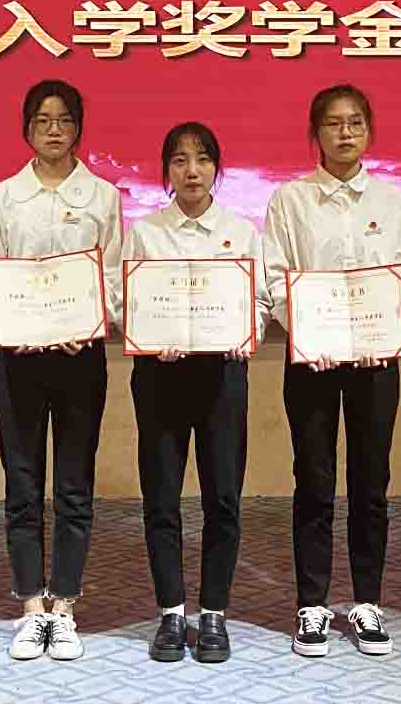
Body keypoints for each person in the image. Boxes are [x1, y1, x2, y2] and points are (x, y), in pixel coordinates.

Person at [263, 84, 401, 658]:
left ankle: (368, 601)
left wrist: (389, 328)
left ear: (369, 130)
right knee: (314, 480)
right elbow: (275, 276)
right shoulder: (290, 201)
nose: (345, 133)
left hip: (377, 361)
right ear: (316, 133)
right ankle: (312, 604)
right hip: (313, 361)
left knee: (371, 483)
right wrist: (309, 332)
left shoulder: (393, 203)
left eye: (355, 122)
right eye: (333, 123)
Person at [0, 79, 124, 663]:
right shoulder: (3, 198)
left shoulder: (103, 197)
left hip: (79, 358)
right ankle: (29, 607)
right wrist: (10, 322)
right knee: (22, 485)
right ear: (26, 129)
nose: (53, 129)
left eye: (64, 119)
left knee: (73, 487)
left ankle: (64, 607)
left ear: (78, 128)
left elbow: (113, 277)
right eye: (42, 120)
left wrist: (92, 319)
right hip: (18, 359)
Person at [126, 122, 270, 665]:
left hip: (222, 377)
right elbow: (125, 302)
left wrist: (246, 333)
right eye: (180, 160)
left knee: (223, 499)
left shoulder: (241, 232)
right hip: (160, 377)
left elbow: (260, 301)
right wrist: (148, 337)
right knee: (161, 499)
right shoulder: (145, 233)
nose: (192, 171)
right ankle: (170, 613)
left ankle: (213, 613)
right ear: (166, 170)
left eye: (203, 159)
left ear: (217, 168)